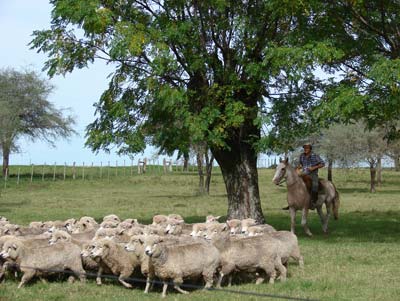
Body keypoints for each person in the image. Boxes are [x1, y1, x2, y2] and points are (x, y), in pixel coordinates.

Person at [298, 143, 325, 209]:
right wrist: (299, 167)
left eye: (307, 148)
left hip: (313, 173)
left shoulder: (315, 155)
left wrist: (314, 167)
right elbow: (301, 164)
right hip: (303, 173)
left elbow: (323, 163)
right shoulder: (302, 156)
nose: (305, 149)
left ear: (310, 149)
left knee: (315, 185)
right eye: (305, 148)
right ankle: (293, 202)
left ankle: (313, 202)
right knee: (294, 183)